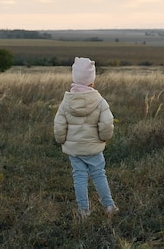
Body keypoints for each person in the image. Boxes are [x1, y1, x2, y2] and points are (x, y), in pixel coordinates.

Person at [54, 57, 118, 219]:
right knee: (98, 175)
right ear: (92, 80)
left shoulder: (66, 101)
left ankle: (83, 210)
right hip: (93, 148)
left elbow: (59, 123)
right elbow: (107, 122)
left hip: (74, 149)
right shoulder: (99, 101)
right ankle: (109, 206)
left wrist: (61, 139)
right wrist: (104, 138)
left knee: (79, 177)